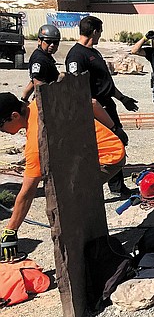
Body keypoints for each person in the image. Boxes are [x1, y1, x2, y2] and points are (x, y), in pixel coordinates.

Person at [0, 92, 126, 262]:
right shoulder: (41, 103)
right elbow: (93, 103)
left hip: (107, 158)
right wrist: (114, 129)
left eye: (1, 126)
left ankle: (87, 252)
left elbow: (27, 192)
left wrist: (11, 230)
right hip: (101, 148)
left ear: (14, 116)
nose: (2, 132)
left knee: (66, 202)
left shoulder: (35, 145)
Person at [65, 15, 137, 198]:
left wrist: (123, 98)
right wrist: (111, 125)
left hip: (107, 105)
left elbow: (105, 83)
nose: (100, 35)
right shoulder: (76, 55)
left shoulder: (94, 52)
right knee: (109, 144)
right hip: (95, 109)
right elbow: (78, 91)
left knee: (117, 144)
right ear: (95, 31)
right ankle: (95, 188)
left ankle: (117, 186)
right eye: (100, 31)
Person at [20, 24, 62, 102]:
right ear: (39, 41)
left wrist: (24, 98)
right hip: (46, 102)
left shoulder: (45, 56)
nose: (52, 45)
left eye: (55, 42)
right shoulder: (40, 59)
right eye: (48, 41)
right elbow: (38, 83)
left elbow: (35, 79)